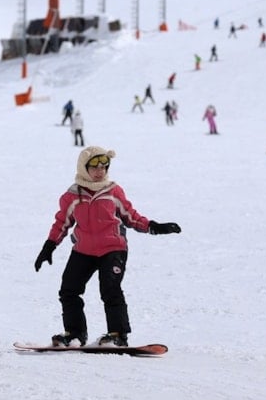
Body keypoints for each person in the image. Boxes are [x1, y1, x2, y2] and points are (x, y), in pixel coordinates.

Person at [33, 146, 182, 347]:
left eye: (104, 167)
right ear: (84, 168)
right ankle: (75, 334)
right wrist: (49, 246)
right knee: (69, 290)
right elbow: (62, 223)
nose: (100, 172)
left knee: (110, 288)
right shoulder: (73, 195)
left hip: (113, 248)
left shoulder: (113, 191)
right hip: (83, 250)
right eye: (94, 168)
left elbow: (131, 217)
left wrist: (154, 227)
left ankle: (118, 334)